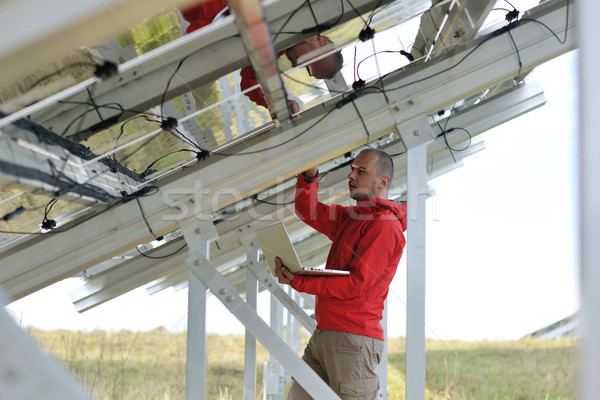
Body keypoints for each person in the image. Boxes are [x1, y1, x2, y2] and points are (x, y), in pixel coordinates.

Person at [275, 148, 407, 399]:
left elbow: (357, 286)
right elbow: (309, 211)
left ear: (383, 181)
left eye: (361, 171)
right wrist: (310, 175)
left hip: (352, 341)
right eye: (352, 169)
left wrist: (300, 280)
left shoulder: (384, 226)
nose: (351, 175)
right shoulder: (353, 217)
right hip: (325, 334)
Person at [181, 0, 343, 112]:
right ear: (319, 40)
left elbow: (250, 82)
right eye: (309, 65)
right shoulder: (292, 7)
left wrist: (279, 103)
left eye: (305, 70)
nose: (297, 66)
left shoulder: (272, 50)